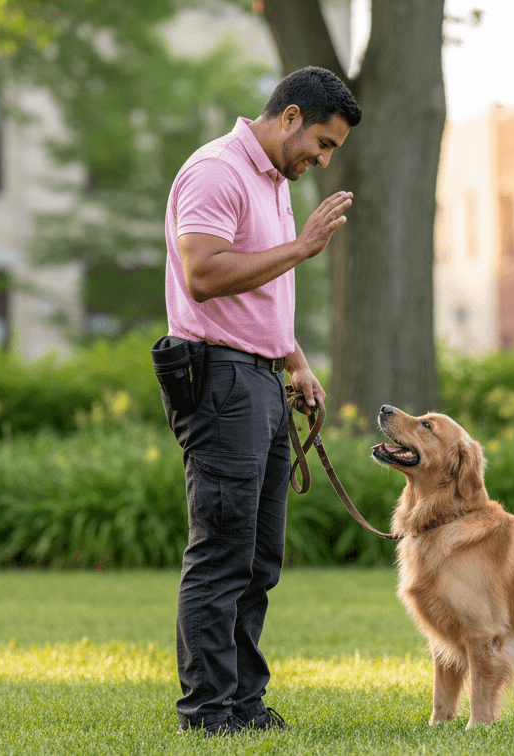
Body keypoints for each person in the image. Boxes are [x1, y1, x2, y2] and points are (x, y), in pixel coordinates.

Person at [159, 66, 360, 737]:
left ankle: (243, 702)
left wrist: (295, 359)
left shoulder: (272, 180)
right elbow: (206, 273)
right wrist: (302, 247)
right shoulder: (217, 170)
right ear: (292, 116)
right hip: (219, 381)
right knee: (221, 552)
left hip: (263, 379)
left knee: (258, 557)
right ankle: (206, 713)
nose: (323, 159)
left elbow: (259, 291)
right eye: (323, 143)